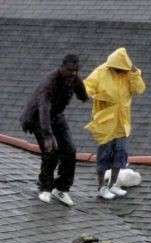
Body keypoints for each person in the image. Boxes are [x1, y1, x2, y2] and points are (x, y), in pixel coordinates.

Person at [19, 54, 89, 207]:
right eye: (70, 71)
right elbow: (43, 108)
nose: (72, 74)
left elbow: (83, 95)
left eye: (75, 71)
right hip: (37, 117)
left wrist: (86, 96)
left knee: (70, 150)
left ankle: (61, 188)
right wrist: (47, 134)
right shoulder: (50, 82)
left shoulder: (74, 79)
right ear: (62, 68)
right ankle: (45, 187)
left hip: (56, 115)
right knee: (51, 151)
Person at [82, 47, 146, 200]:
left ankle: (113, 184)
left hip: (122, 122)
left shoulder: (128, 75)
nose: (120, 72)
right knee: (104, 155)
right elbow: (86, 87)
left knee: (120, 154)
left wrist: (134, 72)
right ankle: (101, 187)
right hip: (106, 122)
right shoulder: (101, 72)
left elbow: (139, 89)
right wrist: (98, 96)